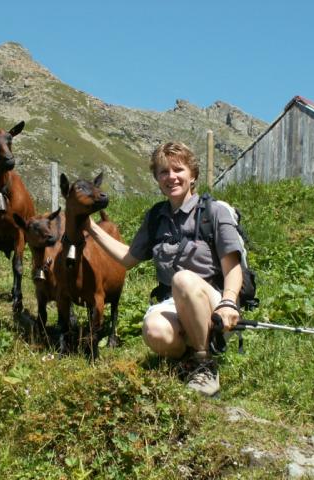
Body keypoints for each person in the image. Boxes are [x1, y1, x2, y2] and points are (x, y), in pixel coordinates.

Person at [84, 142, 244, 397]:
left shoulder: (214, 212)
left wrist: (229, 302)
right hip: (174, 303)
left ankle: (204, 363)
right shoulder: (156, 216)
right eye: (163, 172)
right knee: (153, 330)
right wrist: (91, 227)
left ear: (193, 175)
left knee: (183, 279)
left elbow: (232, 267)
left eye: (178, 170)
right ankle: (187, 359)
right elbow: (128, 258)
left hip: (214, 305)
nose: (171, 177)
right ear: (157, 179)